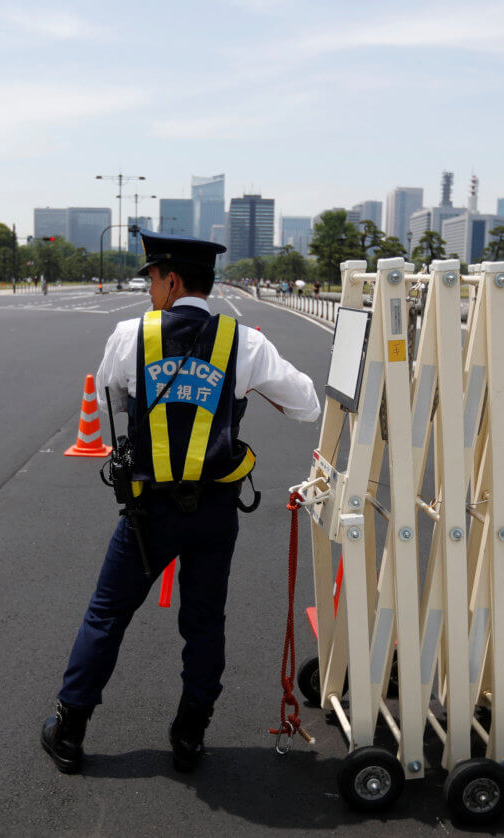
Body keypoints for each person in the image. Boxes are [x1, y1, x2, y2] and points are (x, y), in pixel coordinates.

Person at [41, 231, 321, 775]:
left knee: (107, 616)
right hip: (215, 511)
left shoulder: (129, 336)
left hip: (149, 512)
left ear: (171, 279)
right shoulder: (244, 342)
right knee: (204, 622)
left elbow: (113, 397)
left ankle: (70, 731)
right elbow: (306, 405)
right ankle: (190, 735)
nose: (149, 289)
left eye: (151, 279)